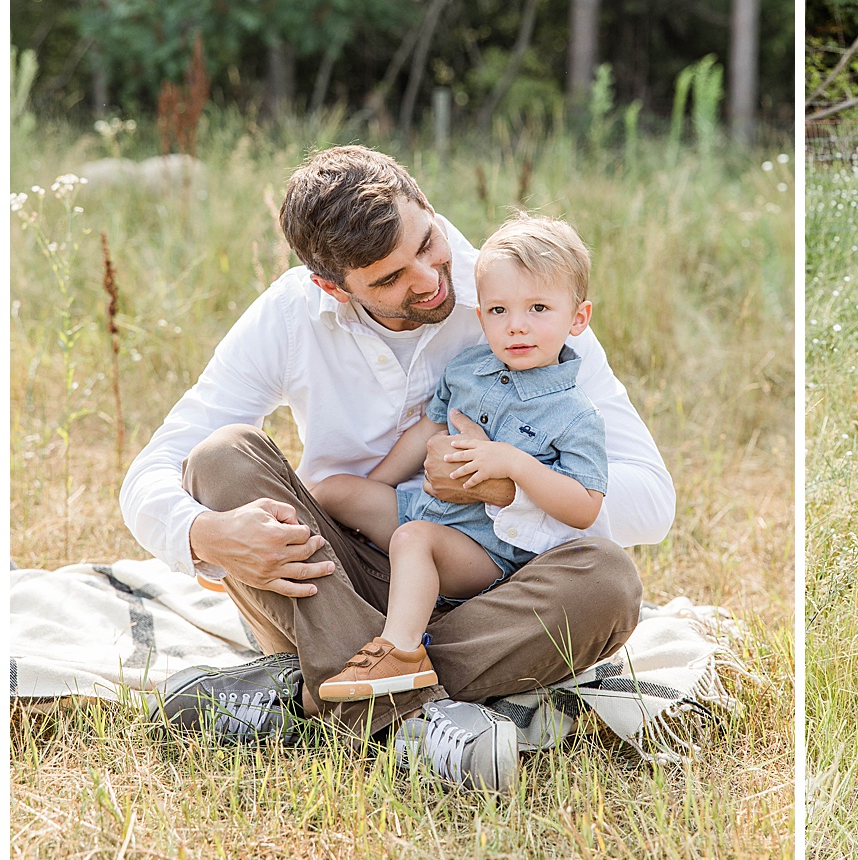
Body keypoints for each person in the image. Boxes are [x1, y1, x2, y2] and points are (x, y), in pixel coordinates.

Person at [122, 146, 674, 794]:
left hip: (486, 590)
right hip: (333, 581)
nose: (428, 278)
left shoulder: (517, 299)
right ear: (331, 284)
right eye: (388, 279)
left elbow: (649, 498)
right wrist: (203, 536)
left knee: (608, 581)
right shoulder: (290, 315)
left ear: (428, 204)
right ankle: (412, 718)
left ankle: (302, 699)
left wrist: (508, 487)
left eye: (427, 241)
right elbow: (153, 470)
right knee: (221, 456)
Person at [310, 213, 610, 702]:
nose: (516, 326)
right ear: (480, 316)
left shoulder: (575, 414)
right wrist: (379, 487)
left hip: (485, 551)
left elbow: (585, 505)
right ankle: (337, 599)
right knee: (333, 491)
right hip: (424, 512)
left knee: (414, 540)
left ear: (577, 318)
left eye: (538, 308)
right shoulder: (468, 369)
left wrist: (515, 463)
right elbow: (426, 432)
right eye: (498, 311)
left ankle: (401, 652)